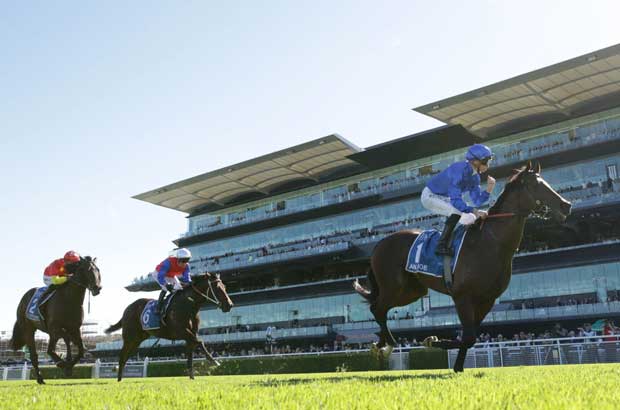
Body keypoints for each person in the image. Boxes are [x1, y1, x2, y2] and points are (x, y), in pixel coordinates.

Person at [421, 144, 496, 255]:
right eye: (486, 161)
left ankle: (460, 245)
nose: (488, 165)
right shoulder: (458, 170)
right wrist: (475, 210)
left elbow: (477, 201)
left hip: (444, 197)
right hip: (430, 195)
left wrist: (489, 189)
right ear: (475, 161)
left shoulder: (475, 177)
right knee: (457, 211)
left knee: (471, 218)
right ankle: (440, 246)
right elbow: (456, 201)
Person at [151, 248, 192, 318]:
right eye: (183, 261)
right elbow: (160, 276)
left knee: (179, 287)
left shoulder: (186, 266)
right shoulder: (168, 263)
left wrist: (189, 283)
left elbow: (187, 278)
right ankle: (158, 307)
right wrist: (166, 285)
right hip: (158, 274)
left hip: (170, 275)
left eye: (187, 260)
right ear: (178, 259)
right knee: (165, 289)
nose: (185, 263)